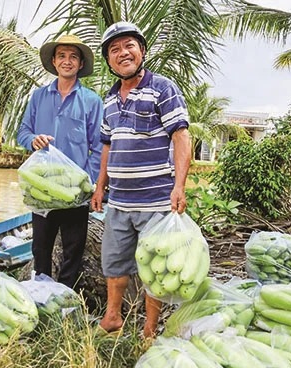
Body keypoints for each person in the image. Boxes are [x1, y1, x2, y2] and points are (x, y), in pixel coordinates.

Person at [90, 22, 192, 339]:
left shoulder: (162, 88)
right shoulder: (107, 100)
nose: (123, 53)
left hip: (156, 201)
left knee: (155, 268)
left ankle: (149, 330)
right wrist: (100, 186)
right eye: (114, 49)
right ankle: (112, 318)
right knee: (115, 265)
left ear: (142, 51)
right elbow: (107, 145)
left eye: (129, 46)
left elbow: (181, 136)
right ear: (109, 61)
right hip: (118, 202)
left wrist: (179, 186)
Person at [17, 35, 103, 290]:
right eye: (62, 56)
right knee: (40, 247)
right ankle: (41, 295)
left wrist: (87, 183)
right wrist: (33, 140)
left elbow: (98, 146)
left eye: (73, 57)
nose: (67, 61)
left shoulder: (91, 101)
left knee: (73, 250)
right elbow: (22, 132)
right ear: (54, 62)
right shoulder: (39, 97)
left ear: (80, 64)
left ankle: (66, 298)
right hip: (42, 189)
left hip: (74, 190)